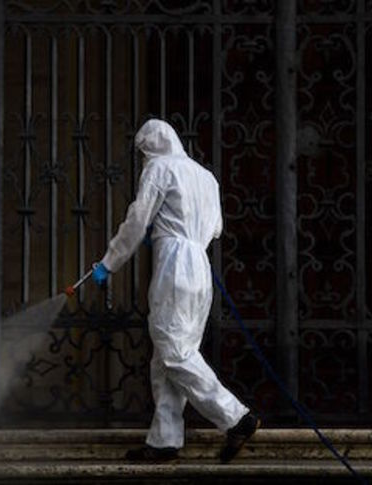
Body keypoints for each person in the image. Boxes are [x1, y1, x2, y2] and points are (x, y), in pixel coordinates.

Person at [92, 118, 259, 463]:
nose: (143, 159)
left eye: (142, 153)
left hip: (175, 265)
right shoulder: (206, 176)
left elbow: (138, 219)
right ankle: (164, 440)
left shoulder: (159, 168)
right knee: (167, 354)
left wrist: (110, 261)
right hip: (199, 263)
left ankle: (236, 417)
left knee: (175, 353)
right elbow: (216, 229)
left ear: (149, 147)